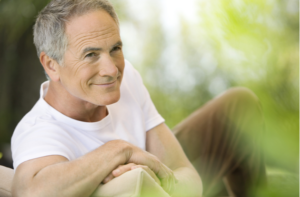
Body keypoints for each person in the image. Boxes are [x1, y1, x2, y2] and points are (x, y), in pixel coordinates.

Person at [11, 0, 266, 197]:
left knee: (239, 105)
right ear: (51, 65)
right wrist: (119, 151)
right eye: (91, 55)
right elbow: (30, 191)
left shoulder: (126, 76)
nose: (112, 69)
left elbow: (187, 175)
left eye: (116, 49)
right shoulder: (39, 132)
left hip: (160, 182)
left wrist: (157, 172)